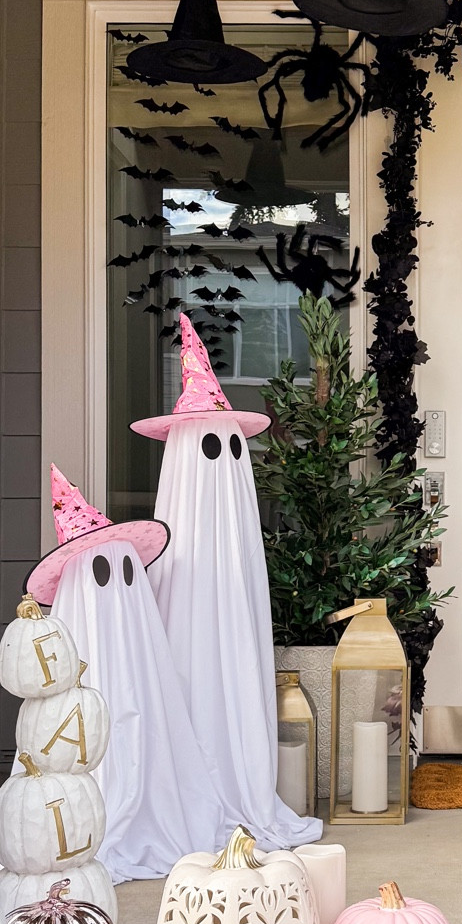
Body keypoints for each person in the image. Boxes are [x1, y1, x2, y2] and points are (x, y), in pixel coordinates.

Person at [133, 315, 321, 850]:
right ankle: (199, 790)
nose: (225, 457)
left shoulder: (240, 542)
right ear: (182, 457)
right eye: (212, 448)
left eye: (233, 446)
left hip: (231, 575)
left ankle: (241, 787)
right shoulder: (178, 538)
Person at [30, 467, 235, 882]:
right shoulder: (74, 656)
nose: (120, 589)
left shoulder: (146, 654)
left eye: (127, 573)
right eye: (104, 575)